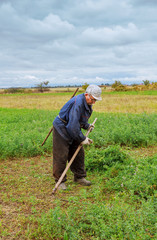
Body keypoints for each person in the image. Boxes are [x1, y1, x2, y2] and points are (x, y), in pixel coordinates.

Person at [52, 84, 102, 190]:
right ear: (87, 94)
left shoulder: (87, 103)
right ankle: (60, 180)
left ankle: (79, 177)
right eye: (92, 99)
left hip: (72, 127)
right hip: (62, 127)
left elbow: (80, 120)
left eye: (95, 101)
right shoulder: (77, 103)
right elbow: (72, 125)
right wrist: (83, 138)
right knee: (61, 154)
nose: (93, 102)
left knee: (78, 153)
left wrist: (87, 125)